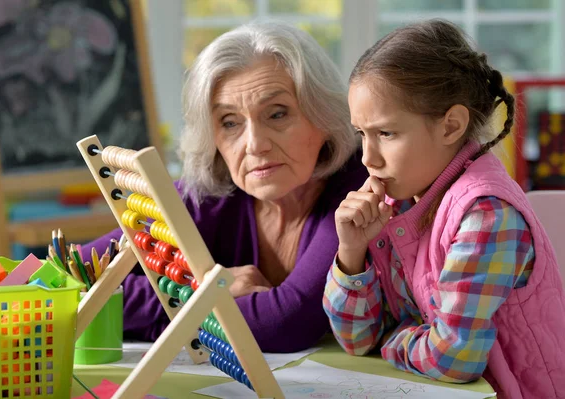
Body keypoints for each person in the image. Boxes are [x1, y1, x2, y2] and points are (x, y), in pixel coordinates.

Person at [82, 21, 366, 353]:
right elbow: (68, 280)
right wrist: (202, 292)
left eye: (277, 114)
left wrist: (186, 309)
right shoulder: (207, 192)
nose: (254, 145)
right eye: (229, 122)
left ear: (325, 117)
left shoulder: (358, 187)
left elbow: (284, 324)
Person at [323, 19, 565, 399]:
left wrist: (394, 338)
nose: (368, 158)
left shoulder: (486, 215)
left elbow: (453, 358)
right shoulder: (397, 203)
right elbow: (357, 340)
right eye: (361, 134)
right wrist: (351, 254)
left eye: (386, 134)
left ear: (450, 126)